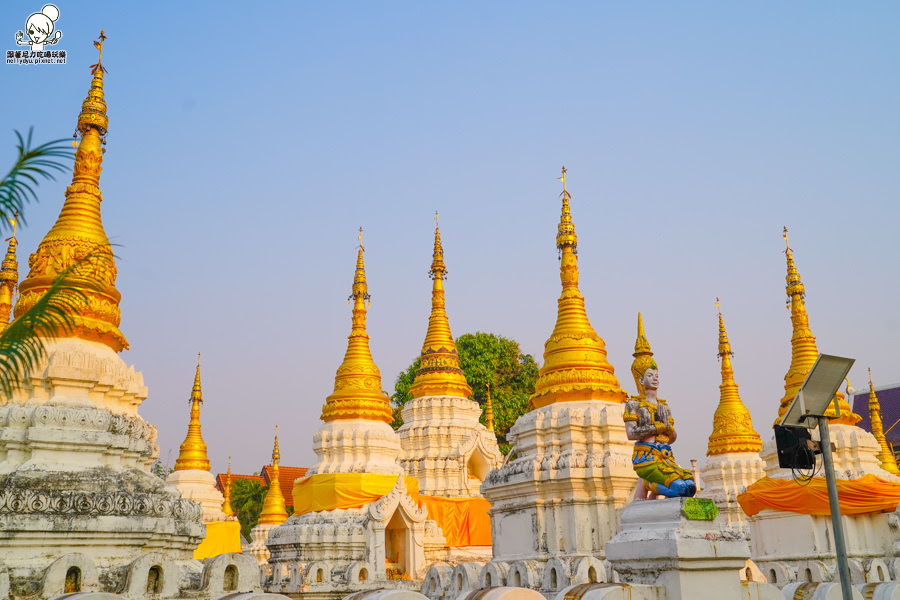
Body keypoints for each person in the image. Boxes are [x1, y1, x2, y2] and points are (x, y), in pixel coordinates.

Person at [623, 314, 696, 500]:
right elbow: (631, 434)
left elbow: (671, 437)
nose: (655, 378)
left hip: (666, 458)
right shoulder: (634, 404)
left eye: (656, 374)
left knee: (690, 487)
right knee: (679, 488)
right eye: (650, 375)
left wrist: (668, 430)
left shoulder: (664, 406)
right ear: (640, 379)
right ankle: (647, 483)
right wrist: (656, 428)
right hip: (646, 459)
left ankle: (649, 487)